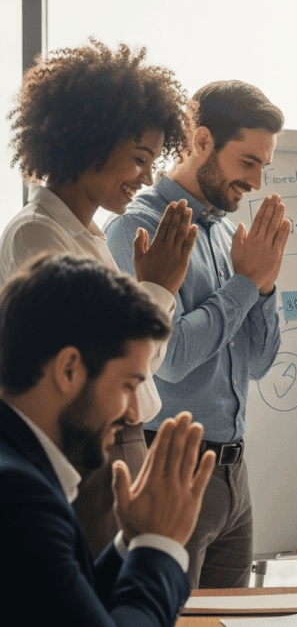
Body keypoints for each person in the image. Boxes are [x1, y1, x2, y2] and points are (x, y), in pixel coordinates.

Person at [1, 40, 198, 559]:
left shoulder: (87, 235)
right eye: (139, 158)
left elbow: (130, 366)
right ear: (89, 140)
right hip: (90, 452)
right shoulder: (35, 236)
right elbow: (99, 367)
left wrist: (157, 287)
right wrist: (156, 289)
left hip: (117, 444)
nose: (148, 178)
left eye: (153, 161)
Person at [104, 80, 291, 588]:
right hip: (171, 468)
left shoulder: (231, 236)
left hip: (235, 475)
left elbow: (256, 364)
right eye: (247, 162)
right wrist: (244, 284)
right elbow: (172, 357)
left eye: (263, 167)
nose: (255, 181)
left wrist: (265, 290)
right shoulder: (134, 229)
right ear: (202, 142)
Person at [0, 254, 216, 626]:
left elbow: (67, 611)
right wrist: (160, 546)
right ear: (69, 369)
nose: (133, 414)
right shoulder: (19, 495)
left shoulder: (20, 469)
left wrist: (132, 543)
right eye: (128, 385)